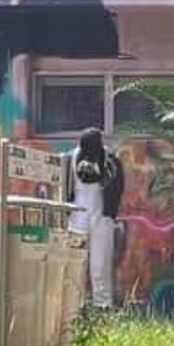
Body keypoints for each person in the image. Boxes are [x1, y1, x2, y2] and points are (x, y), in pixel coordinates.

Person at [66, 128, 124, 309]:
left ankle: (102, 305)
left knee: (101, 262)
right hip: (77, 213)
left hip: (102, 214)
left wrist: (111, 213)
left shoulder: (110, 160)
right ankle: (73, 305)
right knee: (75, 260)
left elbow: (118, 186)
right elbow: (64, 185)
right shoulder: (71, 158)